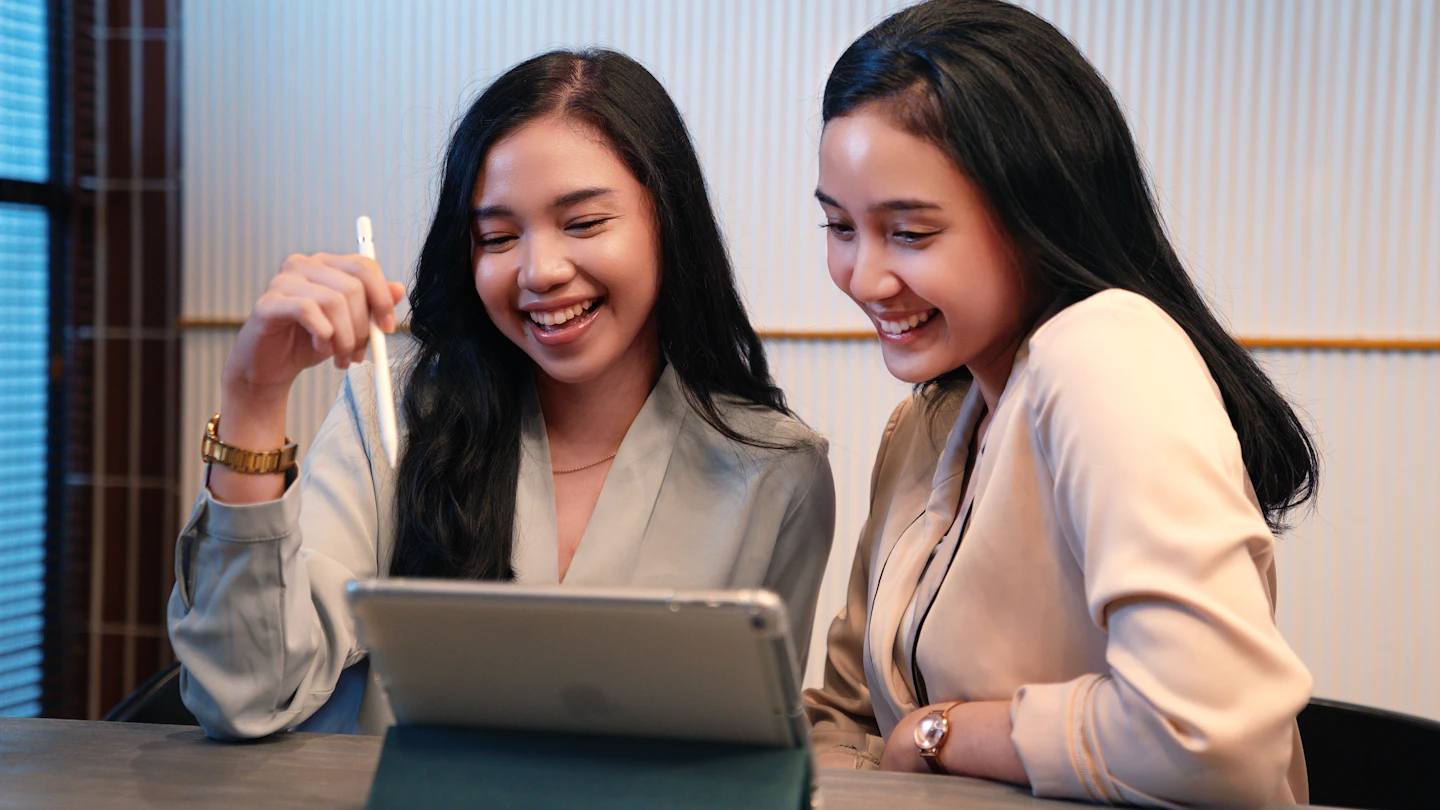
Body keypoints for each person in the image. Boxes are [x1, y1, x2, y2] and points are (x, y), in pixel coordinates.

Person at [169, 48, 835, 740]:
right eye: (497, 235)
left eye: (583, 224)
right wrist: (252, 398)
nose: (539, 271)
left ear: (669, 222)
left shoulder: (774, 471)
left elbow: (751, 754)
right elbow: (243, 691)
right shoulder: (396, 407)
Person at [802, 1, 1317, 805]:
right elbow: (847, 717)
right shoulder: (928, 423)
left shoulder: (1105, 349)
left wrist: (940, 734)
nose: (864, 279)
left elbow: (1211, 738)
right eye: (839, 227)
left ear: (1037, 213)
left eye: (909, 233)